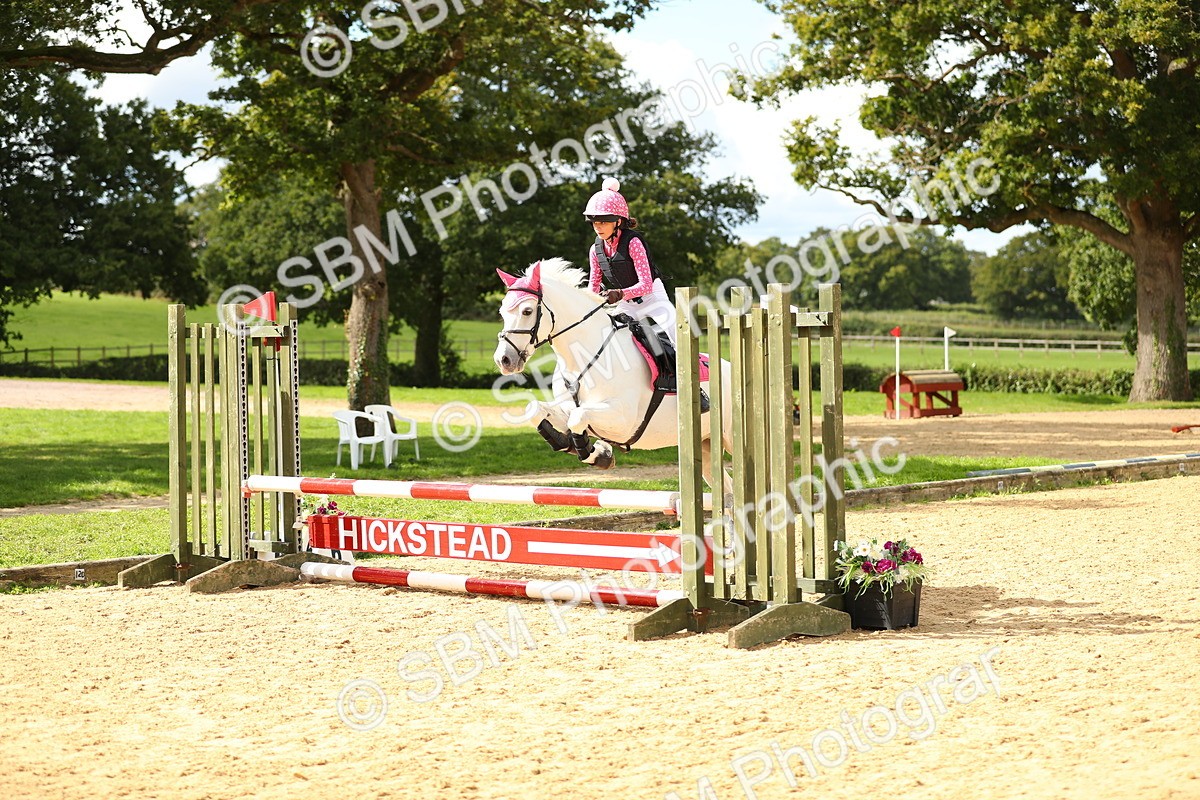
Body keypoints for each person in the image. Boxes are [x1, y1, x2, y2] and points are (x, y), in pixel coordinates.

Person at [583, 177, 677, 346]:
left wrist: (618, 293)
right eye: (594, 222)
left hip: (652, 297)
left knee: (677, 333)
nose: (598, 227)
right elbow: (593, 286)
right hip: (626, 305)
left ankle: (695, 368)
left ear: (618, 221)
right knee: (609, 337)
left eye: (603, 222)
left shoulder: (633, 242)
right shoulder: (595, 251)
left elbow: (646, 284)